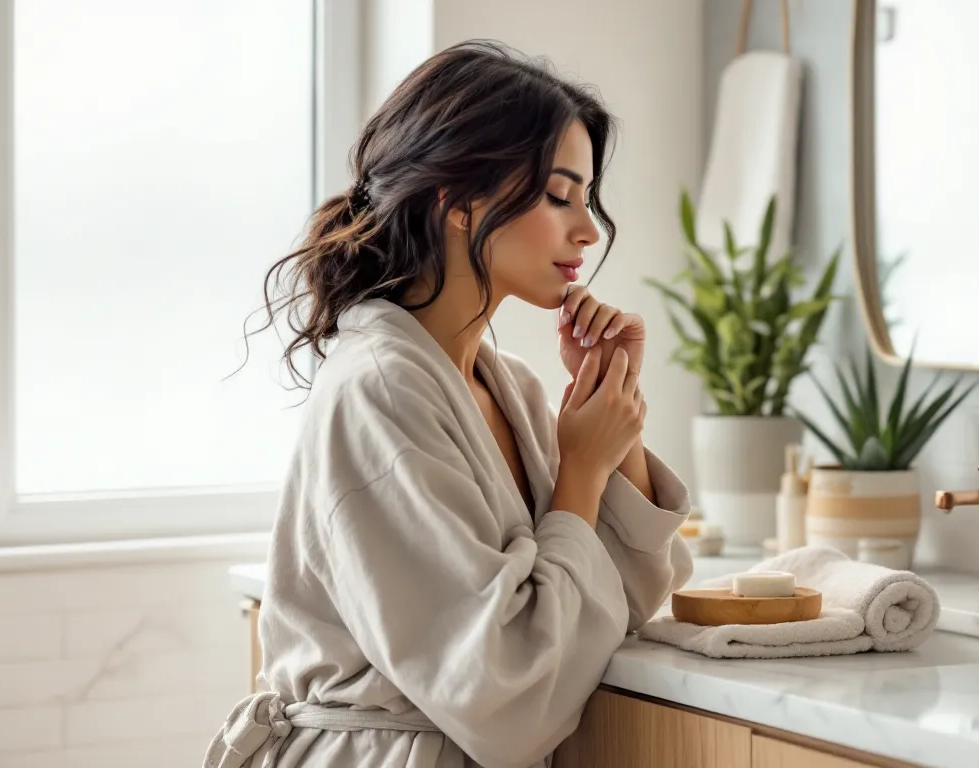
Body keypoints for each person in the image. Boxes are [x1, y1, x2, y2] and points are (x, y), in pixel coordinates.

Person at [203, 39, 694, 768]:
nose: (587, 230)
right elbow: (503, 694)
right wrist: (581, 472)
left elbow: (616, 604)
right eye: (560, 196)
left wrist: (611, 412)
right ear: (459, 200)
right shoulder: (379, 389)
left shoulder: (515, 389)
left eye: (588, 199)